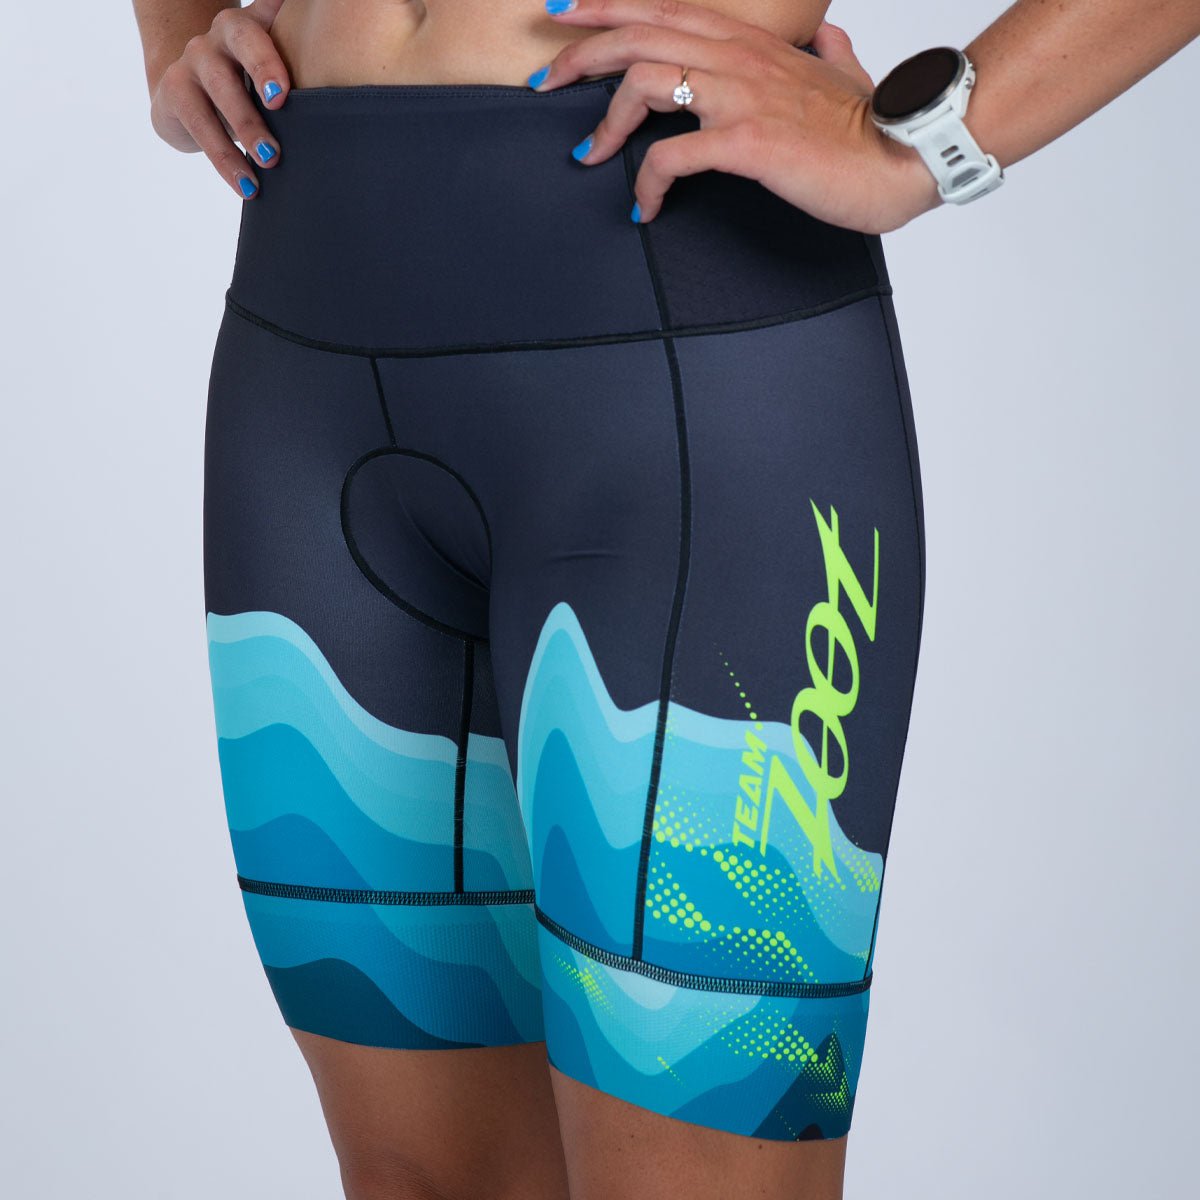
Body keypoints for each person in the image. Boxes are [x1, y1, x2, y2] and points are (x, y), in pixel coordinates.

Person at [132, 2, 1199, 1198]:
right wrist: (177, 37)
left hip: (684, 365)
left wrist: (926, 145)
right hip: (305, 364)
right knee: (415, 1180)